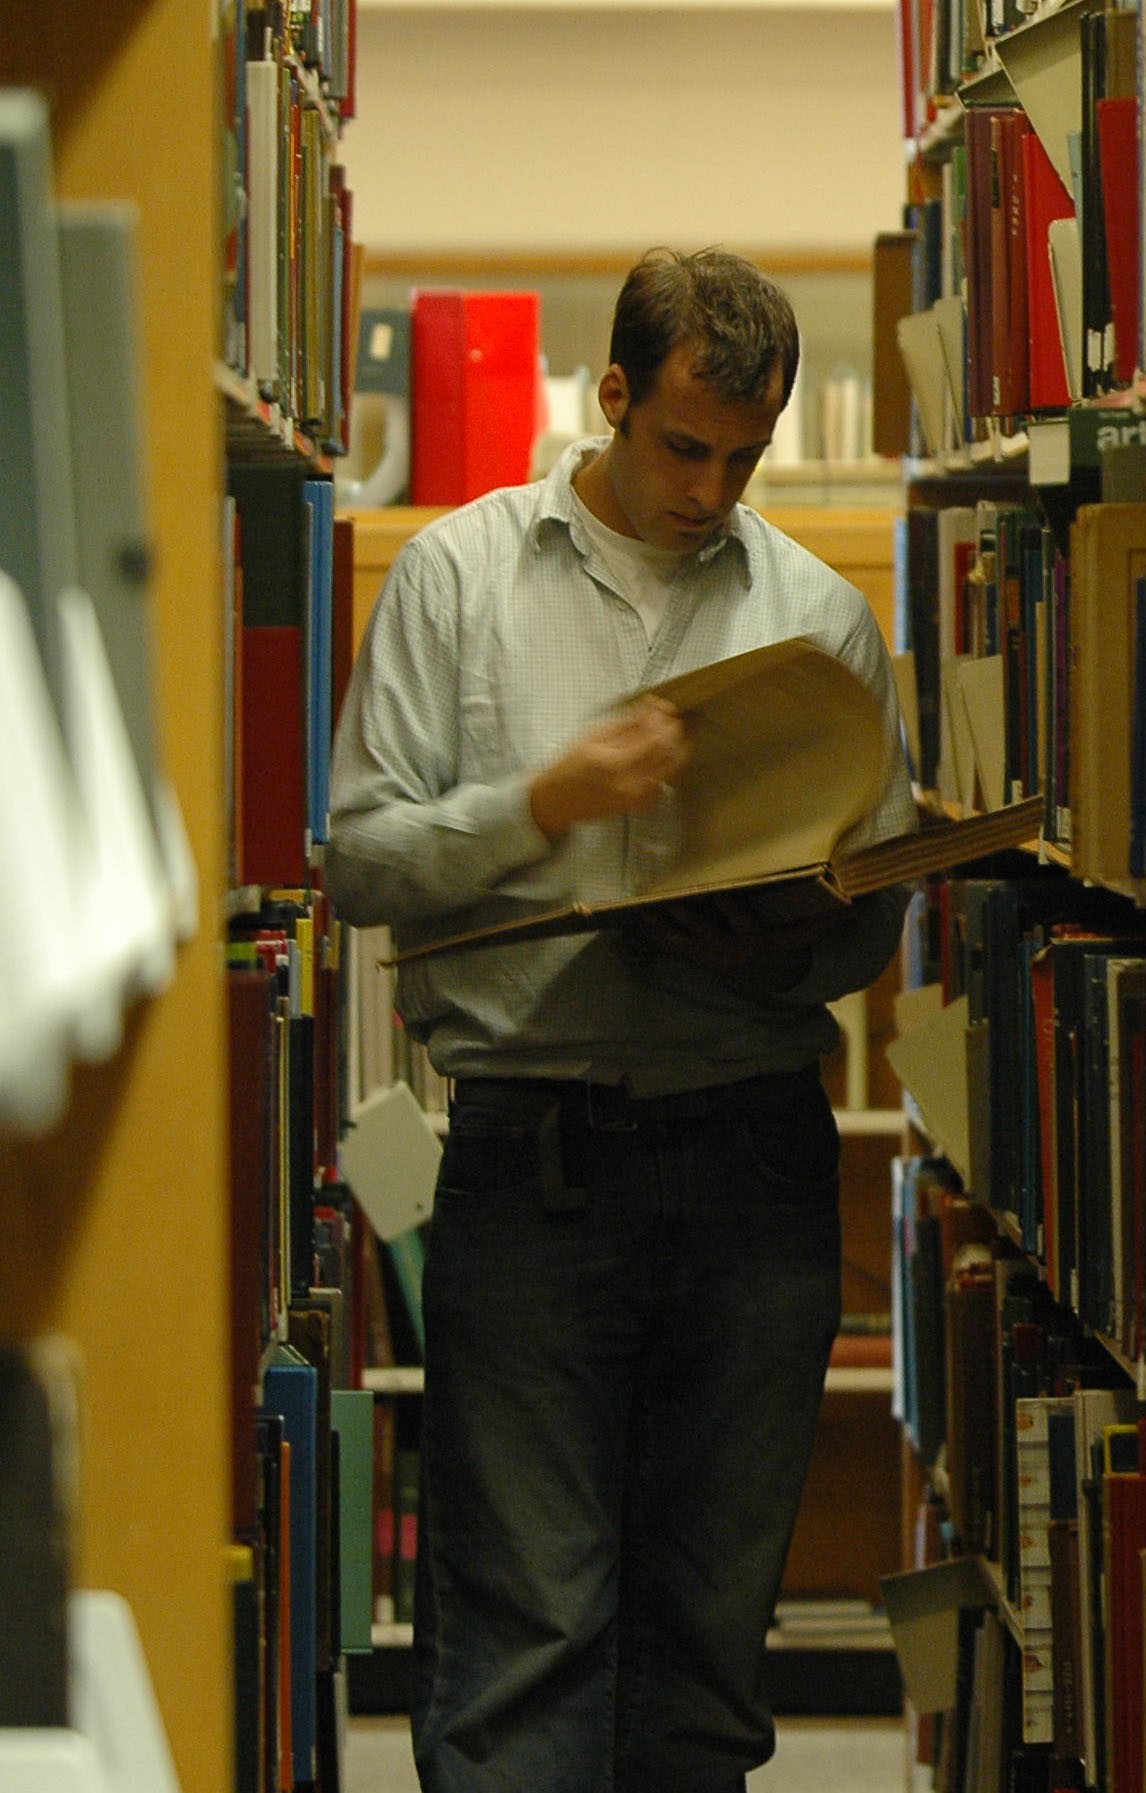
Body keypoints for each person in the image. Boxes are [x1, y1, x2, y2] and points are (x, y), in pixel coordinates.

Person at [325, 246, 917, 1792]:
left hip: (755, 1154)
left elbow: (872, 917)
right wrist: (542, 802)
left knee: (711, 1641)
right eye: (680, 445)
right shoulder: (457, 576)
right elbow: (362, 861)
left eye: (743, 455)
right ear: (610, 399)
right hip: (537, 1152)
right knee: (525, 1633)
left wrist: (787, 941)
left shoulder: (817, 623)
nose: (711, 488)